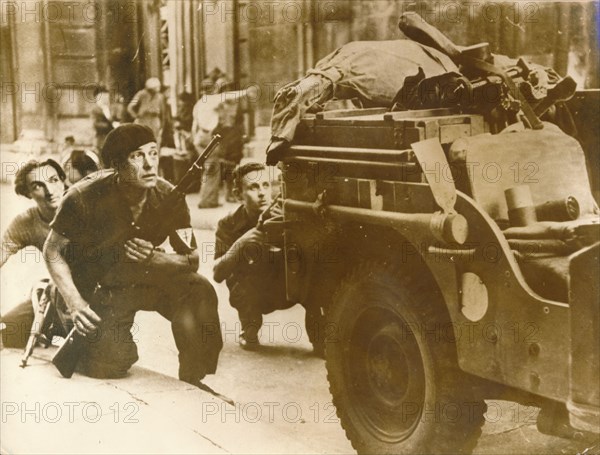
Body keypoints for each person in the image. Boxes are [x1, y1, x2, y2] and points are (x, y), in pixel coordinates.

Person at [43, 124, 222, 385]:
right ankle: (60, 317)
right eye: (137, 157)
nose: (150, 165)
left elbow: (191, 259)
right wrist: (75, 303)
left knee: (199, 291)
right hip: (96, 288)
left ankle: (192, 377)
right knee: (112, 363)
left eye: (153, 153)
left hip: (142, 278)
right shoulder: (83, 196)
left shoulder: (169, 195)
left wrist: (157, 259)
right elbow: (52, 250)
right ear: (117, 164)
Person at [213, 162, 291, 349]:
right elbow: (217, 273)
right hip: (255, 290)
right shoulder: (229, 224)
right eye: (253, 187)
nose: (262, 192)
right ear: (238, 195)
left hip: (287, 287)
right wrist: (240, 244)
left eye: (266, 185)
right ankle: (249, 328)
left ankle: (318, 336)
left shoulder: (286, 215)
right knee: (239, 281)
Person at [0, 159, 70, 348]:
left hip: (93, 300)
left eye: (54, 180)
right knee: (4, 330)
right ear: (28, 193)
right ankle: (46, 329)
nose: (49, 191)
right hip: (55, 298)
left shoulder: (86, 209)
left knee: (102, 359)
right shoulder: (27, 222)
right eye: (38, 186)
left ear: (63, 181)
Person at [127, 77, 168, 149]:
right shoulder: (140, 94)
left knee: (155, 142)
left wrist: (162, 126)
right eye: (152, 89)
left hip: (155, 121)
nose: (154, 92)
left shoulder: (160, 97)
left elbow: (163, 113)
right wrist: (136, 116)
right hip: (143, 120)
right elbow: (130, 106)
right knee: (141, 141)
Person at [91, 86, 120, 153]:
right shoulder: (95, 110)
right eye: (102, 98)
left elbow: (117, 119)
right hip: (101, 140)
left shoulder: (111, 109)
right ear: (97, 99)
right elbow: (95, 124)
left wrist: (117, 122)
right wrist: (111, 125)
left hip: (112, 140)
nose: (105, 100)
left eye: (107, 98)